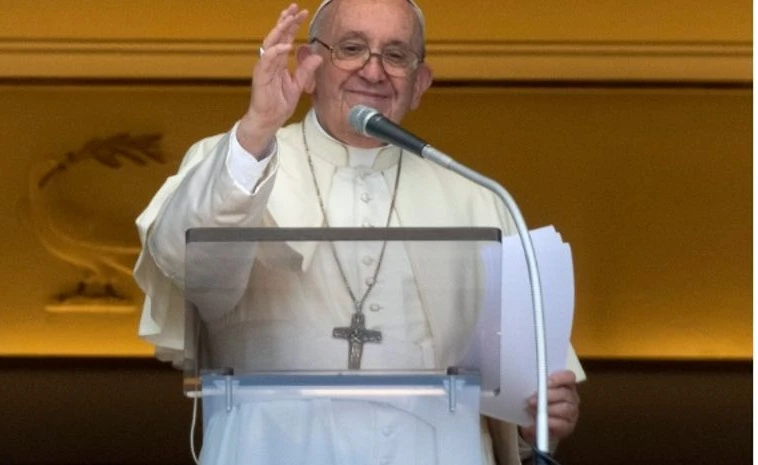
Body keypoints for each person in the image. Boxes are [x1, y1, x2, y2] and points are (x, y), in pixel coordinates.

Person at [134, 1, 584, 464]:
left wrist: (538, 417)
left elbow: (524, 382)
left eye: (395, 55)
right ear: (310, 67)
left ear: (419, 84)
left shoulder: (478, 198)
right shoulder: (237, 159)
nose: (373, 71)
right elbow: (185, 263)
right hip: (275, 448)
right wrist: (257, 128)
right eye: (351, 48)